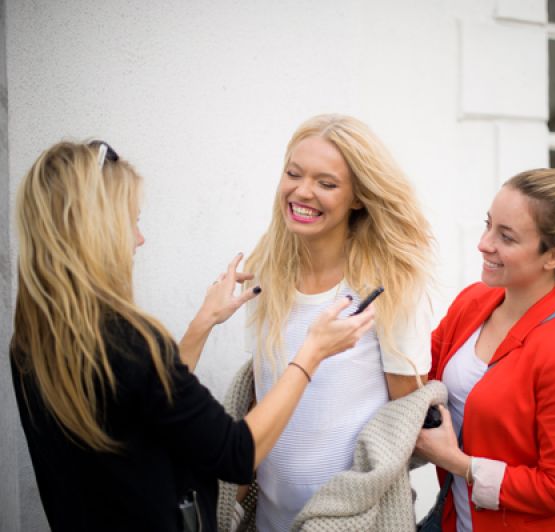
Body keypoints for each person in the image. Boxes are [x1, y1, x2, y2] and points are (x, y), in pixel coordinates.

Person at [10, 140, 375, 532]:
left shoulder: (33, 341)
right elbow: (238, 454)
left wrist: (203, 323)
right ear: (95, 233)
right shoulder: (128, 340)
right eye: (131, 222)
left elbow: (141, 400)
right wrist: (311, 353)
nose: (139, 239)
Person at [414, 168, 555, 531]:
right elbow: (417, 375)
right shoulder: (473, 302)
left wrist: (460, 464)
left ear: (553, 257)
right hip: (454, 520)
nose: (484, 243)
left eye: (506, 236)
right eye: (488, 225)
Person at [243, 113, 435, 531]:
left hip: (358, 522)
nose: (302, 191)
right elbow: (263, 399)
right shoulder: (265, 274)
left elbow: (404, 423)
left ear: (358, 197)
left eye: (326, 183)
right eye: (293, 174)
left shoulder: (390, 286)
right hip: (270, 522)